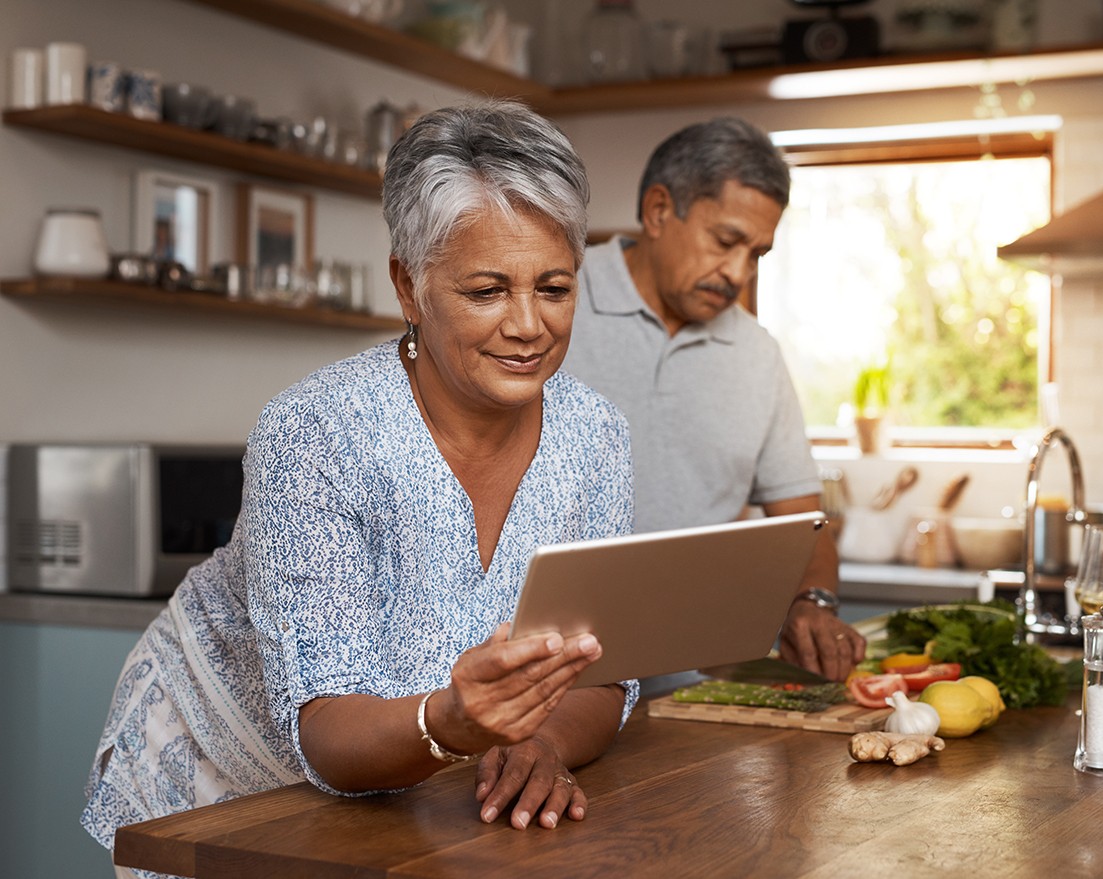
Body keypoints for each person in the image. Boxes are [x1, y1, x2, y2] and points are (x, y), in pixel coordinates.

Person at [82, 101, 639, 877]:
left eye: (553, 287)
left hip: (420, 791)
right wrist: (454, 721)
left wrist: (535, 741)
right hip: (235, 772)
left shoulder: (596, 437)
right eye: (486, 291)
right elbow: (327, 730)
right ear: (409, 287)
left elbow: (603, 676)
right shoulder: (317, 431)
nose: (528, 324)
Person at [561, 117, 866, 682]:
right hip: (549, 684)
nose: (737, 272)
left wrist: (813, 602)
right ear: (657, 211)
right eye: (725, 242)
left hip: (691, 694)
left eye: (757, 254)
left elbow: (805, 526)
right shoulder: (556, 300)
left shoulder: (757, 354)